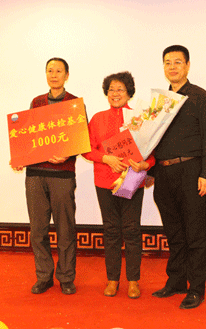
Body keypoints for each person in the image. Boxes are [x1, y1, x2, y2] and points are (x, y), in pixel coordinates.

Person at [150, 45, 206, 309]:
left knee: (195, 232)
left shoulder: (201, 97)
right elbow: (152, 139)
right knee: (174, 232)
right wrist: (150, 171)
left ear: (188, 65)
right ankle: (176, 281)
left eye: (178, 62)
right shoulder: (160, 102)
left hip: (191, 172)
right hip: (163, 173)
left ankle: (196, 288)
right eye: (167, 62)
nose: (172, 67)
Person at [83, 71, 155, 299]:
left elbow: (153, 152)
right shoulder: (97, 118)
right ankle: (112, 279)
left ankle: (133, 280)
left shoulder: (141, 118)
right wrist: (106, 158)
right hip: (104, 181)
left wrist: (145, 165)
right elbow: (86, 148)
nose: (116, 93)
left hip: (132, 181)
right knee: (111, 230)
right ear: (106, 93)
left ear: (129, 93)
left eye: (120, 89)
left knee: (132, 230)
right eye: (112, 89)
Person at [10, 57, 79, 295]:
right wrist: (19, 157)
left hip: (62, 175)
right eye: (50, 70)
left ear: (66, 75)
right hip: (36, 175)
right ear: (46, 74)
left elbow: (80, 137)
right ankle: (44, 276)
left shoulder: (74, 104)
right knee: (38, 229)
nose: (54, 75)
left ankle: (66, 278)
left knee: (65, 230)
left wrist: (68, 153)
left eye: (59, 71)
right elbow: (28, 135)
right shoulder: (37, 102)